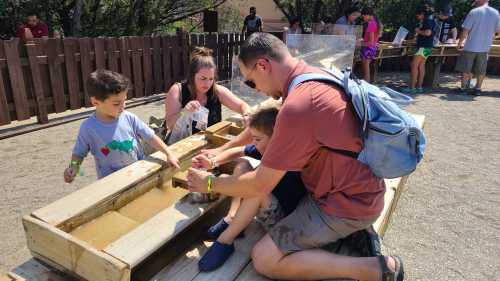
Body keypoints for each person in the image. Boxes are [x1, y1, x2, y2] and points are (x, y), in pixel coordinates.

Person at [187, 32, 403, 281]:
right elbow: (266, 123)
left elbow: (260, 184)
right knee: (255, 178)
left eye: (251, 82)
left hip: (344, 204)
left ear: (263, 65)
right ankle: (345, 236)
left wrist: (210, 183)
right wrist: (221, 151)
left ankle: (376, 268)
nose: (255, 90)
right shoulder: (313, 77)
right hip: (347, 189)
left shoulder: (299, 104)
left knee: (264, 258)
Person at [192, 106, 306, 272]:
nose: (254, 143)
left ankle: (225, 241)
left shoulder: (287, 157)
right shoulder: (267, 147)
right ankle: (232, 219)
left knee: (256, 191)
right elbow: (238, 151)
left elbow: (257, 187)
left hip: (286, 220)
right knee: (243, 165)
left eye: (257, 139)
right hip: (272, 203)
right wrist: (213, 162)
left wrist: (211, 184)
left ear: (275, 138)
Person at [64, 70, 180, 183]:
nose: (123, 106)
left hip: (139, 173)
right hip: (111, 182)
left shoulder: (129, 118)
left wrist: (168, 153)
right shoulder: (88, 128)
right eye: (116, 103)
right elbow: (79, 153)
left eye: (124, 100)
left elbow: (150, 136)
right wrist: (73, 168)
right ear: (95, 102)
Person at [164, 47, 251, 144]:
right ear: (192, 76)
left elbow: (242, 105)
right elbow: (170, 124)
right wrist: (185, 112)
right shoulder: (177, 91)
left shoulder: (217, 91)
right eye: (203, 78)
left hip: (210, 143)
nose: (207, 84)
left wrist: (247, 115)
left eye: (211, 79)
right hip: (181, 145)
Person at [455, 0, 500, 95]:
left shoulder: (474, 12)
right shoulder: (496, 12)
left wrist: (459, 43)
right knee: (481, 70)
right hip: (485, 47)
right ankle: (478, 89)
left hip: (470, 45)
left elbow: (465, 29)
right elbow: (498, 31)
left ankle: (463, 89)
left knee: (466, 69)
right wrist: (490, 37)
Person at [402, 7, 436, 94]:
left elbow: (428, 33)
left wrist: (418, 31)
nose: (417, 17)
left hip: (423, 46)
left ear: (422, 14)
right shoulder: (432, 20)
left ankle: (412, 87)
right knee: (421, 66)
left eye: (418, 15)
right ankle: (419, 87)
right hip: (428, 47)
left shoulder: (426, 21)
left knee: (414, 65)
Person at [360, 7, 382, 82]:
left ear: (367, 15)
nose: (363, 18)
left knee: (366, 74)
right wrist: (362, 40)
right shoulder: (376, 22)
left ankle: (365, 90)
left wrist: (359, 44)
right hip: (371, 49)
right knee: (366, 72)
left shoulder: (371, 24)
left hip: (368, 50)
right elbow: (373, 40)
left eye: (363, 16)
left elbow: (370, 42)